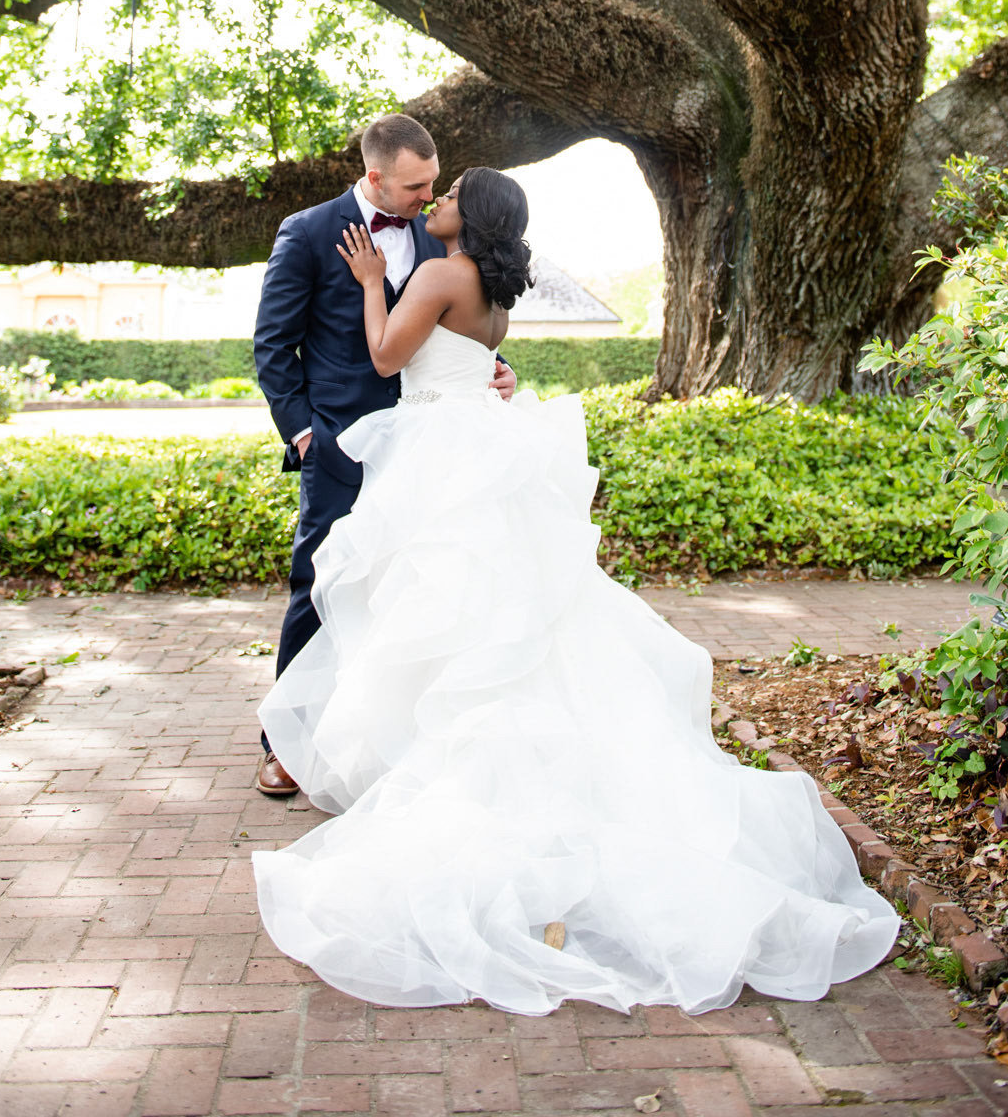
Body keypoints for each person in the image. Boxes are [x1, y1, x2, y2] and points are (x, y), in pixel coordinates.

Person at [252, 166, 899, 1014]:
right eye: (428, 191)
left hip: (442, 454)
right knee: (497, 614)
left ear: (465, 219)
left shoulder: (440, 271)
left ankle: (448, 774)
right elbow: (467, 356)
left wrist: (374, 284)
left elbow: (384, 355)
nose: (436, 201)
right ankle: (443, 755)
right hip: (473, 444)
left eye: (447, 197)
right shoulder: (493, 293)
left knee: (442, 611)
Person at [252, 113, 515, 797]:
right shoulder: (307, 232)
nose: (426, 199)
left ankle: (385, 741)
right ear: (375, 176)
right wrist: (304, 432)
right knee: (320, 583)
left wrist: (494, 367)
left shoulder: (437, 241)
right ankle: (285, 745)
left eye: (435, 185)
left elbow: (452, 324)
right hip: (341, 442)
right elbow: (274, 346)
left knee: (410, 592)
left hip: (430, 448)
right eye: (414, 187)